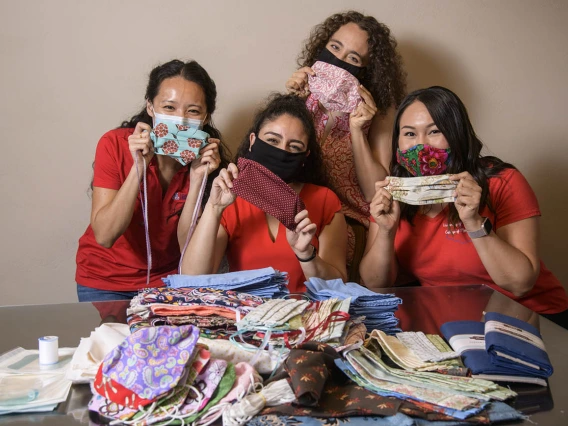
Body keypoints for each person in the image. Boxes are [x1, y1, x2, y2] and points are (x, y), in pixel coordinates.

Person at [360, 86, 568, 328]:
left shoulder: (502, 181)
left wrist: (474, 222)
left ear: (456, 133)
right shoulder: (393, 194)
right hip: (455, 322)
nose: (421, 145)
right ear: (397, 144)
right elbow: (376, 284)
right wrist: (386, 231)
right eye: (409, 134)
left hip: (533, 318)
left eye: (434, 131)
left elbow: (520, 284)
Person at [76, 59, 229, 302]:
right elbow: (105, 235)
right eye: (169, 107)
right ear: (150, 107)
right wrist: (138, 168)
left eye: (193, 111)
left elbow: (187, 247)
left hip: (167, 283)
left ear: (206, 117)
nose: (180, 120)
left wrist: (197, 179)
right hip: (105, 280)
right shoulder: (115, 144)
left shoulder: (206, 162)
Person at [180, 94, 347, 293]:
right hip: (245, 317)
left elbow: (339, 287)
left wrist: (306, 255)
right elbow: (191, 279)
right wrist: (214, 207)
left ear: (305, 157)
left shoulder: (324, 200)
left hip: (306, 318)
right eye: (272, 140)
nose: (282, 151)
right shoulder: (231, 199)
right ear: (253, 141)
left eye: (294, 147)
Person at [285, 10, 407, 281]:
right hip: (294, 211)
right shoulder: (307, 95)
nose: (339, 60)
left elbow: (375, 191)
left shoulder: (380, 113)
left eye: (353, 58)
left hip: (343, 223)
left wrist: (356, 128)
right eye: (334, 48)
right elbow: (280, 161)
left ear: (367, 72)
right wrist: (291, 105)